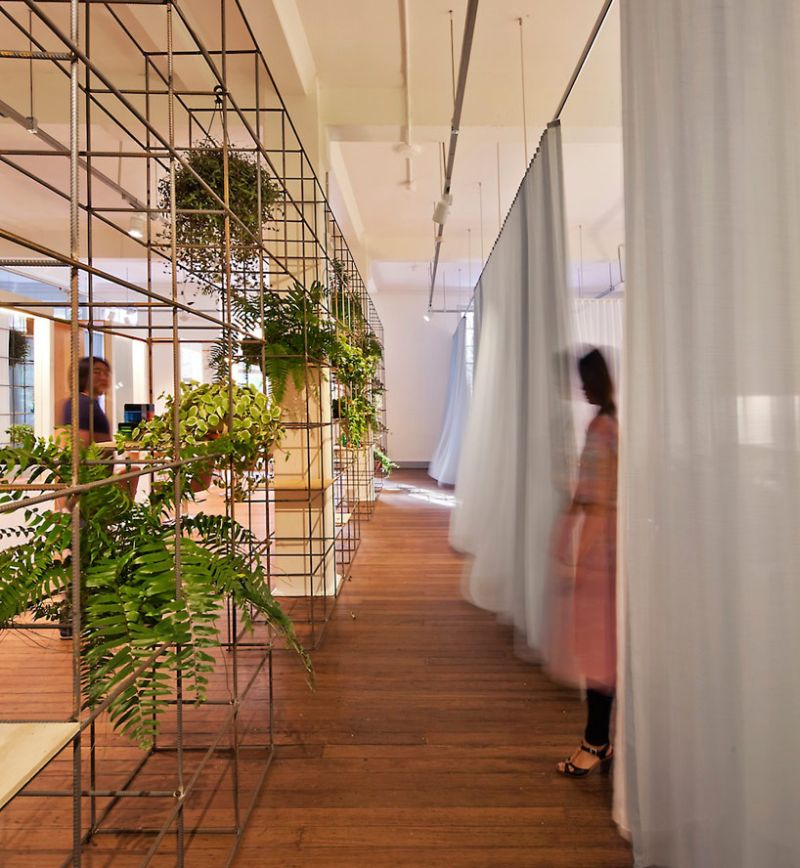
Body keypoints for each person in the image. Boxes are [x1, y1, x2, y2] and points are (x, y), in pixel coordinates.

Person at [557, 348, 618, 777]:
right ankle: (600, 740)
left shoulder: (603, 428)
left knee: (599, 651)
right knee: (601, 649)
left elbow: (597, 501)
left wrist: (579, 556)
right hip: (607, 547)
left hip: (604, 553)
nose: (580, 387)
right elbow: (586, 492)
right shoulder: (605, 424)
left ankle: (594, 744)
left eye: (584, 379)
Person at [61, 356, 112, 445]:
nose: (104, 378)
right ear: (83, 376)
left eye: (106, 373)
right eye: (97, 372)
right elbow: (79, 446)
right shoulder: (82, 404)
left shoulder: (88, 402)